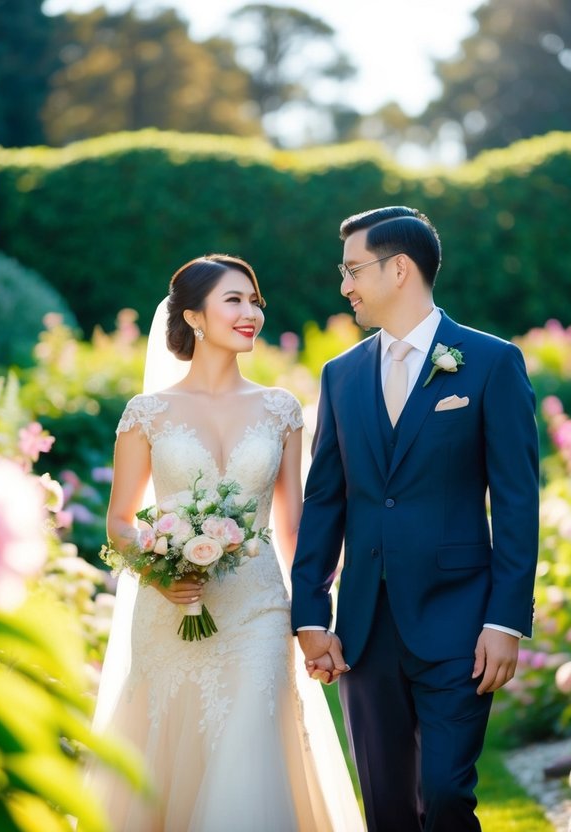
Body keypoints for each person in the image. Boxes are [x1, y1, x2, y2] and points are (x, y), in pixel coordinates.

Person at [90, 254, 362, 831]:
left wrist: (315, 616)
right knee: (170, 751)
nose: (251, 313)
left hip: (257, 610)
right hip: (170, 609)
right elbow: (118, 520)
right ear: (193, 315)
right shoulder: (146, 414)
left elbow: (294, 527)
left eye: (254, 301)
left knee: (246, 748)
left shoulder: (281, 410)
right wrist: (160, 572)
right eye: (233, 301)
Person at [291, 206, 540, 831]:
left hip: (460, 621)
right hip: (366, 629)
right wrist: (310, 613)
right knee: (388, 806)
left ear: (398, 268)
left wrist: (506, 619)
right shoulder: (341, 376)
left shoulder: (490, 362)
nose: (344, 285)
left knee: (447, 793)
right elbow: (325, 500)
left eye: (352, 270)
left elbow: (516, 501)